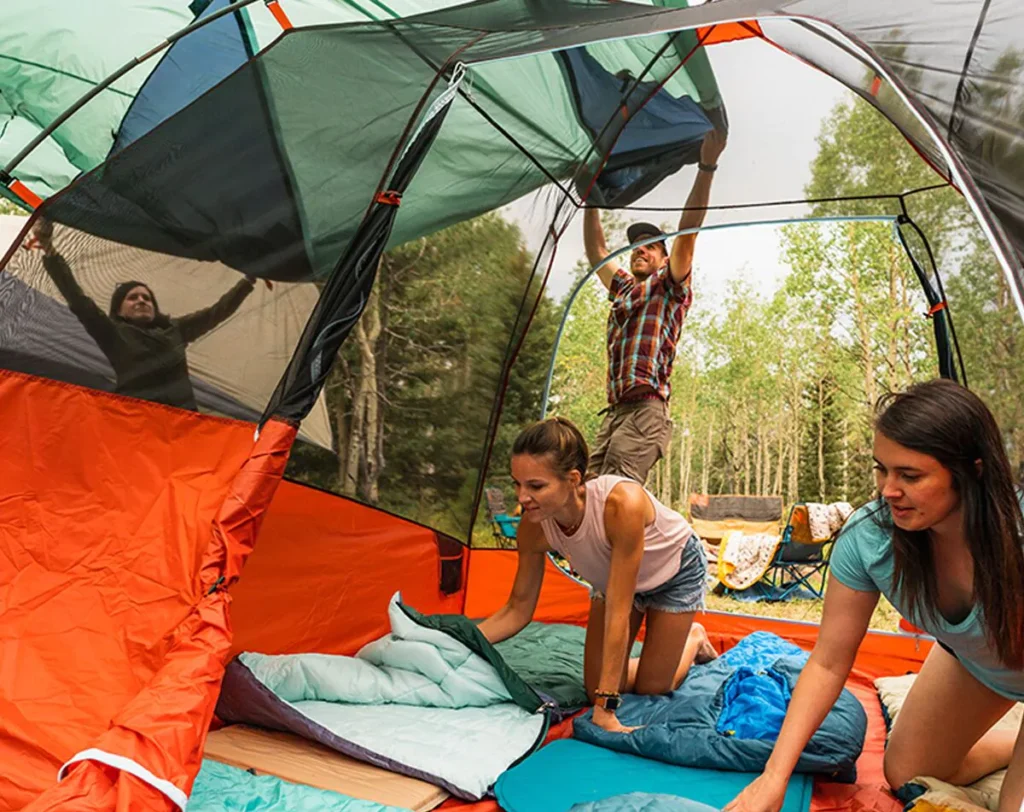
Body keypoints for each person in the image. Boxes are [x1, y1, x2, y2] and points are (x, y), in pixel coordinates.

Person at [724, 379, 1024, 812]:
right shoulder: (870, 539)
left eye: (910, 476)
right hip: (976, 662)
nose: (888, 490)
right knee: (908, 773)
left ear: (972, 471)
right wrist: (773, 778)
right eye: (882, 469)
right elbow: (828, 662)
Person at [477, 416, 717, 734]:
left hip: (673, 571)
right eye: (517, 484)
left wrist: (606, 710)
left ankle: (694, 638)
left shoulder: (621, 505)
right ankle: (657, 658)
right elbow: (517, 609)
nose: (522, 497)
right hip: (612, 577)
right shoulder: (534, 527)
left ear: (573, 479)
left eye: (535, 486)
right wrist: (458, 642)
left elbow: (619, 610)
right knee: (596, 687)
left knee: (653, 686)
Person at [582, 128, 726, 486]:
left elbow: (687, 233)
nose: (640, 250)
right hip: (615, 414)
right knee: (588, 491)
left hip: (646, 411)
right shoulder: (624, 288)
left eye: (651, 246)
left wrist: (706, 167)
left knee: (615, 494)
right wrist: (591, 196)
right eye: (636, 246)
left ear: (664, 258)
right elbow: (597, 252)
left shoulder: (670, 286)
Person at [33, 217, 260, 411]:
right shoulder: (113, 332)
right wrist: (48, 247)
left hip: (184, 422)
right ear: (119, 309)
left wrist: (249, 280)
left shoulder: (175, 330)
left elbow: (216, 313)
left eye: (146, 298)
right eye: (132, 298)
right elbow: (78, 299)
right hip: (136, 420)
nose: (142, 301)